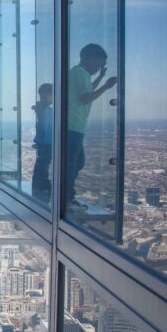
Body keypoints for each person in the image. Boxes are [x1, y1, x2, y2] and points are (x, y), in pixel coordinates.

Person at [67, 43, 118, 210]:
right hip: (73, 126)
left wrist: (101, 78)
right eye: (98, 65)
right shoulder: (80, 74)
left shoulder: (78, 73)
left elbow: (87, 90)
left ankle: (67, 196)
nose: (98, 68)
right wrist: (106, 86)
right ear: (90, 60)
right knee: (73, 163)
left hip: (74, 126)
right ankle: (67, 199)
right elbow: (85, 98)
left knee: (76, 162)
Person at [31, 83, 53, 201]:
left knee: (42, 164)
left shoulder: (47, 110)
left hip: (46, 143)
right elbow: (44, 127)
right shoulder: (44, 109)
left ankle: (41, 186)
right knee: (42, 165)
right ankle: (40, 186)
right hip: (46, 143)